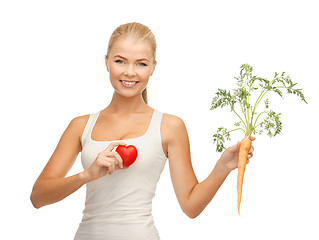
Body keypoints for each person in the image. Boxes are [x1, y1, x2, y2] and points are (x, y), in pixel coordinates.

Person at [30, 22, 254, 240]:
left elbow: (191, 207)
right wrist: (86, 175)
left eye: (141, 64)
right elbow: (38, 197)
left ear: (153, 68)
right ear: (106, 62)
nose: (129, 72)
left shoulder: (170, 126)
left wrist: (223, 167)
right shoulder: (80, 125)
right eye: (120, 61)